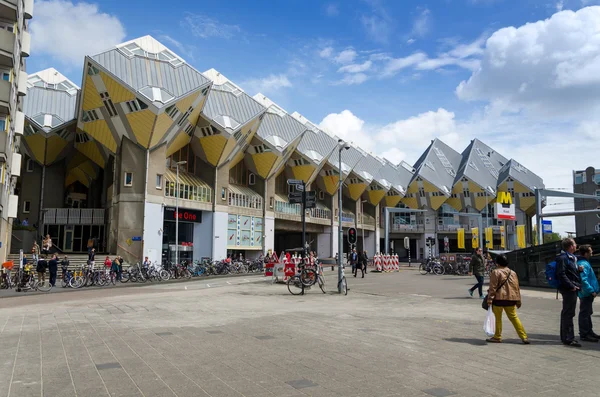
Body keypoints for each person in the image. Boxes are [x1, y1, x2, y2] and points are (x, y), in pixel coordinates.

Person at [485, 255, 529, 344]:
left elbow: (493, 287)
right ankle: (524, 336)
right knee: (514, 317)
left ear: (497, 263)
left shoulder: (495, 272)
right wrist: (518, 300)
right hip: (511, 299)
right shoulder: (513, 273)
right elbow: (516, 287)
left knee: (498, 318)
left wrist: (490, 299)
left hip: (498, 299)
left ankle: (497, 337)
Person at [555, 238, 582, 347]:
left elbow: (569, 272)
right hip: (569, 289)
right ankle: (568, 338)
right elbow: (561, 274)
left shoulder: (572, 258)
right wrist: (571, 286)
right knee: (568, 313)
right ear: (571, 246)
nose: (576, 246)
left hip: (572, 288)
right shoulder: (563, 258)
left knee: (568, 313)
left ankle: (566, 336)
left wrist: (578, 270)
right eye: (575, 244)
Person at [577, 245, 599, 342]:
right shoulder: (583, 264)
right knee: (585, 314)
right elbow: (583, 280)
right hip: (586, 293)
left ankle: (589, 332)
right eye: (590, 251)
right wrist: (591, 291)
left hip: (586, 293)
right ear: (585, 253)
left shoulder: (584, 263)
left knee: (587, 313)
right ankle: (584, 334)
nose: (592, 252)